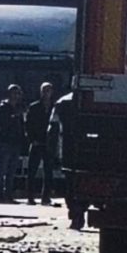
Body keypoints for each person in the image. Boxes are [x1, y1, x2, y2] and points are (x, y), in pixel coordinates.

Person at [48, 91, 85, 229]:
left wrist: (52, 151)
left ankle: (76, 214)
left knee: (70, 184)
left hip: (67, 149)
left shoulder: (62, 102)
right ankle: (78, 212)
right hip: (90, 150)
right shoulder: (98, 100)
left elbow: (52, 127)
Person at [0, 84, 27, 203]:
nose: (16, 96)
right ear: (9, 94)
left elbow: (22, 124)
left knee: (12, 170)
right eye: (14, 93)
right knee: (2, 169)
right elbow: (3, 122)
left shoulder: (20, 107)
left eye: (18, 93)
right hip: (5, 141)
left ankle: (9, 194)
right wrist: (14, 116)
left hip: (16, 142)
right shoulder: (4, 106)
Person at [26, 82, 57, 205]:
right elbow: (28, 125)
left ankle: (46, 197)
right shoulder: (34, 107)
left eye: (48, 90)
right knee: (32, 171)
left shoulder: (55, 108)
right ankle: (30, 197)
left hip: (49, 143)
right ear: (40, 92)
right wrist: (32, 139)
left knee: (48, 171)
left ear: (52, 92)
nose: (46, 93)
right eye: (44, 90)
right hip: (36, 142)